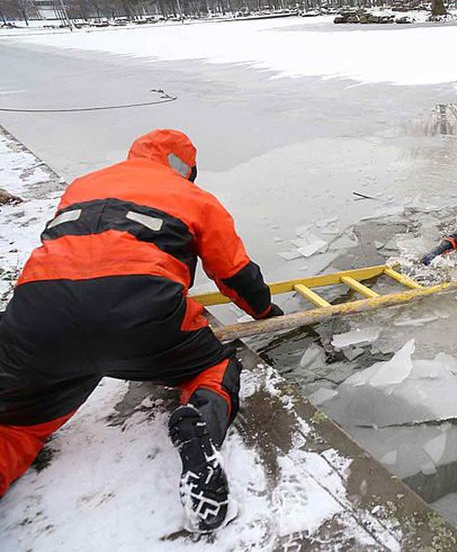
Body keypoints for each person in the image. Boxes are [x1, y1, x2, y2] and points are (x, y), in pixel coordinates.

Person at [0, 129, 283, 532]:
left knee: (15, 424)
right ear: (187, 168)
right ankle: (198, 421)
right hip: (140, 312)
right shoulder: (195, 198)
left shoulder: (85, 184)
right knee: (214, 368)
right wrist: (265, 311)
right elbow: (233, 272)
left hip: (38, 313)